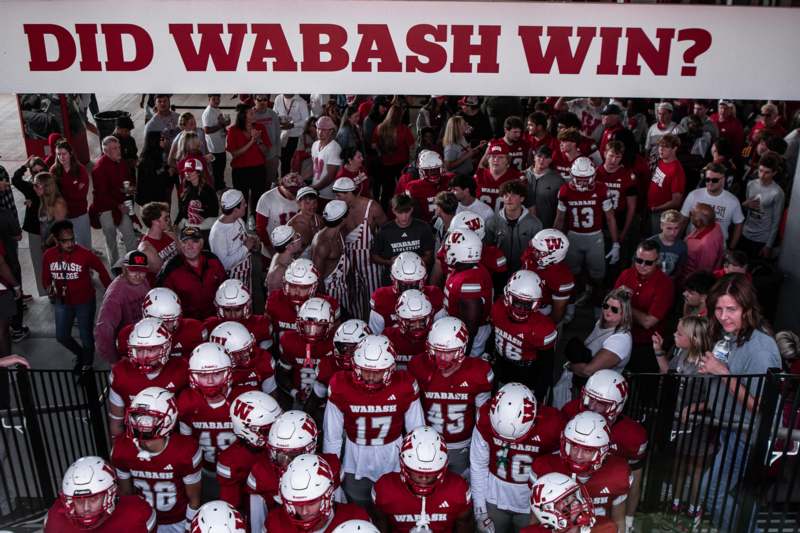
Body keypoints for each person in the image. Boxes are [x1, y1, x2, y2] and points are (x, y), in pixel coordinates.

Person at [696, 274, 781, 531]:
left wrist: (722, 373)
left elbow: (763, 407)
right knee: (736, 496)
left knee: (712, 491)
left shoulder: (761, 349)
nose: (723, 316)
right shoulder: (730, 335)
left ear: (747, 309)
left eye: (731, 309)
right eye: (718, 309)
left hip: (746, 434)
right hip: (731, 428)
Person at [323, 334, 425, 508]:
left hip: (393, 457)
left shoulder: (404, 385)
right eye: (365, 370)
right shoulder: (341, 385)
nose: (370, 376)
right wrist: (331, 474)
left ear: (390, 369)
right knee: (358, 508)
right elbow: (332, 436)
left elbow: (418, 433)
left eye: (377, 372)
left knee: (393, 509)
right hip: (355, 460)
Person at [560, 371, 648, 533]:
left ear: (618, 406)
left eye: (601, 403)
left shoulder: (632, 435)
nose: (592, 406)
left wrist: (629, 519)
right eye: (589, 399)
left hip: (605, 500)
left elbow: (634, 481)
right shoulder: (571, 411)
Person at [470, 383, 564, 533]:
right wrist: (480, 511)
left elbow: (559, 470)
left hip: (534, 503)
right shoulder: (485, 418)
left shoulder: (552, 424)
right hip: (494, 497)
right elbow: (478, 464)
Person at [408, 317, 493, 475]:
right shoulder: (418, 366)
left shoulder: (478, 372)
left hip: (463, 444)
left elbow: (482, 418)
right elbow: (412, 412)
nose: (442, 358)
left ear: (462, 349)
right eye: (437, 351)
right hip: (427, 443)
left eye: (449, 352)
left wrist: (477, 447)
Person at [111, 387, 202, 531]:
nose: (141, 424)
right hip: (143, 519)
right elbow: (127, 495)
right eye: (137, 416)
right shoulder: (122, 449)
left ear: (169, 419)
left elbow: (194, 500)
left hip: (177, 521)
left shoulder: (185, 451)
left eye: (149, 418)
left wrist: (189, 526)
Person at [530, 412, 631, 533]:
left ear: (603, 451)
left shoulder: (617, 473)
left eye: (587, 450)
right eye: (574, 446)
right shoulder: (546, 467)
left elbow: (619, 519)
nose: (578, 456)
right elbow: (537, 519)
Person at [42, 220, 111, 374]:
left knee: (86, 335)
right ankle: (81, 354)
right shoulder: (49, 255)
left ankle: (87, 363)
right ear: (56, 240)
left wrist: (110, 292)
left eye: (72, 239)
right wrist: (49, 288)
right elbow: (45, 278)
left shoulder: (85, 254)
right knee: (61, 336)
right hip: (62, 302)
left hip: (84, 301)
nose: (70, 243)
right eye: (65, 241)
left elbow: (102, 270)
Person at [372, 426, 472, 532]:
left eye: (431, 473)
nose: (424, 478)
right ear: (403, 464)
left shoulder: (458, 489)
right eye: (417, 472)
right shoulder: (384, 488)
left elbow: (464, 524)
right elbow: (379, 524)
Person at [106, 317, 190, 438]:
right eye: (139, 350)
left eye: (151, 349)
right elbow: (116, 422)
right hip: (136, 439)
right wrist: (118, 445)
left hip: (172, 439)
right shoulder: (121, 373)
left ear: (166, 347)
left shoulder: (181, 369)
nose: (145, 356)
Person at [554, 157, 619, 311]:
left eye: (585, 178)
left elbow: (610, 217)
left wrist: (616, 243)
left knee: (598, 276)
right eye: (578, 178)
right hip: (573, 236)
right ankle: (571, 305)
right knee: (571, 274)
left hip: (594, 237)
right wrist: (554, 241)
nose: (582, 182)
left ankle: (598, 306)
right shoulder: (565, 191)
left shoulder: (601, 189)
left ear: (593, 176)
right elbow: (560, 218)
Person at [178, 343, 249, 471]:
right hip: (202, 468)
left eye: (216, 374)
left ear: (228, 373)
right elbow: (186, 444)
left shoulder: (244, 399)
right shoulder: (187, 401)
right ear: (193, 376)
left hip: (239, 470)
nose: (210, 381)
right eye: (203, 375)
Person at [492, 270, 558, 401]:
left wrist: (539, 395)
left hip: (528, 375)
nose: (521, 309)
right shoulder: (498, 308)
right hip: (502, 368)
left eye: (527, 304)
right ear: (508, 297)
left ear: (536, 303)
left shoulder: (542, 328)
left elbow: (546, 366)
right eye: (517, 302)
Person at [44, 456, 156, 532]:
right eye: (79, 500)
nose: (86, 508)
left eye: (93, 499)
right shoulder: (56, 520)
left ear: (111, 494)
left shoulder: (136, 513)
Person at [264, 454, 370, 533]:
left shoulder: (355, 519)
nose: (304, 512)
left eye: (311, 503)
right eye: (296, 503)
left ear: (328, 494)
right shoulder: (276, 522)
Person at [614, 240, 674, 374]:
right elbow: (612, 304)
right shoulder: (626, 274)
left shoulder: (665, 284)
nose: (642, 265)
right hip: (619, 335)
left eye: (648, 262)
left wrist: (624, 303)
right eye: (639, 260)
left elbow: (648, 322)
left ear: (657, 261)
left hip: (646, 344)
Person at [216, 390, 282, 509]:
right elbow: (231, 507)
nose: (276, 433)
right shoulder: (231, 462)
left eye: (278, 425)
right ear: (246, 429)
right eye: (268, 430)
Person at [333, 177, 387, 320]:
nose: (336, 199)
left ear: (349, 193)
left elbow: (386, 231)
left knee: (374, 299)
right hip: (348, 262)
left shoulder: (372, 207)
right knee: (352, 299)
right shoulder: (337, 209)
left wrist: (380, 255)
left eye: (339, 195)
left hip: (371, 262)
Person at [442, 229, 494, 356]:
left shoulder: (469, 280)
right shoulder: (467, 268)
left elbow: (470, 327)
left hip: (467, 337)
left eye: (449, 248)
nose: (446, 251)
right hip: (457, 326)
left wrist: (463, 355)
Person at [94, 251, 150, 363]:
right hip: (127, 347)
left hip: (145, 338)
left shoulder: (144, 281)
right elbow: (103, 330)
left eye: (142, 270)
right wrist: (113, 360)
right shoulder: (116, 294)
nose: (138, 275)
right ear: (124, 269)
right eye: (133, 270)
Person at [159, 226, 227, 320]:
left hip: (215, 318)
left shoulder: (213, 260)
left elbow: (225, 287)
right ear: (180, 245)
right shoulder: (170, 269)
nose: (189, 246)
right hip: (186, 323)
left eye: (195, 241)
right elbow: (163, 301)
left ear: (202, 243)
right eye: (185, 242)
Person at [567, 288, 633, 385]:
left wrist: (569, 366)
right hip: (580, 379)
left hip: (597, 387)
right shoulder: (601, 323)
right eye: (606, 306)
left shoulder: (620, 340)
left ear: (624, 313)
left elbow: (587, 371)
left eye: (614, 309)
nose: (608, 311)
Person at [369, 252, 444, 335]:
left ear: (425, 278)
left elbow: (441, 331)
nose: (409, 289)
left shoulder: (434, 294)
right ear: (392, 279)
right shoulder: (382, 298)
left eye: (414, 285)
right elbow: (376, 336)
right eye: (403, 285)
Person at [92, 136, 138, 267]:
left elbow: (128, 179)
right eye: (114, 148)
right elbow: (102, 195)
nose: (119, 150)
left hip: (121, 205)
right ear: (106, 151)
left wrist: (130, 188)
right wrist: (118, 205)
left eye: (118, 147)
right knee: (111, 239)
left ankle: (135, 265)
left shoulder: (121, 162)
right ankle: (115, 268)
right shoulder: (98, 169)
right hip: (106, 208)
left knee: (129, 235)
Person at [371, 195, 435, 281]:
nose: (404, 217)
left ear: (411, 209)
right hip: (392, 279)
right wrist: (389, 262)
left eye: (407, 212)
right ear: (393, 211)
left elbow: (429, 257)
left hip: (418, 278)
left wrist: (413, 263)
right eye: (400, 213)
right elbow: (374, 256)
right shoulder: (384, 230)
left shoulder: (423, 227)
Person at [226, 103, 271, 223]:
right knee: (241, 199)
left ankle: (256, 222)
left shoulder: (260, 128)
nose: (254, 114)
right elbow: (235, 153)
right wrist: (252, 141)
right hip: (240, 171)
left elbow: (266, 151)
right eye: (251, 113)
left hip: (258, 169)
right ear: (243, 116)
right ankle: (241, 223)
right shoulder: (233, 130)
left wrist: (258, 140)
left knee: (258, 198)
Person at [680, 163, 743, 247]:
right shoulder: (694, 195)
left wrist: (731, 248)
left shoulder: (733, 201)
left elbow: (739, 225)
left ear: (723, 180)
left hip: (717, 247)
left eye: (715, 180)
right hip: (691, 245)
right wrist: (677, 241)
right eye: (707, 179)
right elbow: (683, 220)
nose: (710, 183)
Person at [487, 180, 543, 274]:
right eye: (506, 195)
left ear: (522, 198)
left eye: (513, 195)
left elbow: (537, 252)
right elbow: (488, 249)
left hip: (524, 272)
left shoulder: (535, 224)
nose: (509, 199)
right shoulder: (492, 222)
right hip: (498, 272)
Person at [521, 229, 576, 325]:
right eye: (534, 247)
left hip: (542, 307)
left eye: (538, 251)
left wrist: (551, 325)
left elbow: (558, 309)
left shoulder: (561, 276)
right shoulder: (531, 253)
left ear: (552, 255)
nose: (532, 251)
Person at [11, 157, 49, 296]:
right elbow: (15, 180)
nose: (38, 175)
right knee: (38, 261)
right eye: (35, 172)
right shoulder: (29, 187)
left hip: (51, 229)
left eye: (41, 171)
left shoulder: (52, 184)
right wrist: (24, 166)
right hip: (34, 230)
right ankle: (44, 291)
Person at [209, 189, 259, 292]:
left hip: (245, 272)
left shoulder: (238, 220)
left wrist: (252, 241)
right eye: (244, 203)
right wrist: (246, 248)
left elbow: (241, 239)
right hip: (232, 280)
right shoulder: (218, 233)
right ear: (235, 210)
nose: (246, 205)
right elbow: (223, 264)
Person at [740, 151, 785, 260]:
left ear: (774, 173)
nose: (762, 175)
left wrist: (768, 245)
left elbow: (776, 221)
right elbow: (746, 207)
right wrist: (744, 204)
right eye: (760, 170)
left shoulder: (777, 192)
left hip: (762, 238)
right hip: (746, 232)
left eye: (767, 172)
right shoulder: (751, 184)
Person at [596, 141, 638, 252]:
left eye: (618, 157)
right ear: (605, 154)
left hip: (619, 220)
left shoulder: (628, 176)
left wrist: (624, 232)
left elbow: (632, 207)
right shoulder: (595, 173)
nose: (614, 160)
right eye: (611, 156)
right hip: (599, 221)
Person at [311, 200, 352, 313]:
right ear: (343, 219)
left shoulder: (340, 233)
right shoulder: (322, 244)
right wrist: (325, 301)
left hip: (342, 289)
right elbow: (317, 277)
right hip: (328, 293)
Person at [50, 139, 91, 249]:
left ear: (71, 153)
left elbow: (81, 195)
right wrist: (73, 189)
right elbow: (52, 194)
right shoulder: (54, 170)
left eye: (64, 154)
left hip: (80, 214)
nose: (61, 157)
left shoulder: (80, 170)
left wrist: (63, 193)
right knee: (66, 247)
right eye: (58, 154)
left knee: (85, 246)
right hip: (62, 216)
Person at [373, 104, 415, 208]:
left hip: (385, 163)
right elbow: (412, 146)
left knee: (387, 190)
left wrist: (381, 152)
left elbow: (373, 145)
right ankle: (403, 209)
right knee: (403, 188)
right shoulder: (404, 129)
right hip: (402, 163)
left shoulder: (379, 127)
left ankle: (384, 210)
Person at [647, 135, 686, 235]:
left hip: (663, 215)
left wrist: (657, 208)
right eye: (660, 146)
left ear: (674, 149)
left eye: (666, 147)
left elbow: (676, 201)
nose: (661, 149)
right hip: (651, 210)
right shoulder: (661, 160)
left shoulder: (676, 170)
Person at [255, 172, 301, 255]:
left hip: (294, 248)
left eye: (298, 191)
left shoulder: (301, 197)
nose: (296, 196)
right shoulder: (267, 198)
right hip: (272, 248)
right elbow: (260, 228)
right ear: (283, 187)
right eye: (293, 192)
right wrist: (270, 249)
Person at [405, 151, 453, 223]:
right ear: (422, 171)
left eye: (436, 169)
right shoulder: (413, 187)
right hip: (426, 223)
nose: (433, 173)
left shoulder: (450, 179)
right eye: (429, 170)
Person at [176, 157, 219, 236]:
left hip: (205, 226)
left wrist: (198, 216)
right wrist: (175, 223)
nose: (187, 173)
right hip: (190, 225)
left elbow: (214, 211)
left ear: (198, 172)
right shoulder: (187, 189)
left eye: (190, 171)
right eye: (186, 171)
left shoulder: (208, 190)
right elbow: (182, 210)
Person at [474, 141, 522, 212]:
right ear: (488, 159)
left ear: (507, 161)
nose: (496, 160)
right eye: (493, 156)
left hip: (506, 218)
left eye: (501, 157)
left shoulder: (516, 177)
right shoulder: (479, 175)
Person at [137, 201, 178, 283]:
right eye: (165, 218)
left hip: (177, 277)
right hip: (164, 285)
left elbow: (185, 255)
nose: (169, 220)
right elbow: (164, 275)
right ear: (155, 221)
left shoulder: (171, 235)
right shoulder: (146, 250)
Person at [523, 145, 563, 229]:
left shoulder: (558, 180)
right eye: (539, 156)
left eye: (546, 157)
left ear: (551, 160)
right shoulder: (522, 175)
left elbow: (561, 208)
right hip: (523, 226)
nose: (542, 160)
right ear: (534, 157)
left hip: (546, 226)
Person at [683, 203, 725, 280]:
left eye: (692, 214)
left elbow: (704, 271)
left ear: (699, 222)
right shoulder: (716, 226)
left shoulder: (704, 244)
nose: (690, 215)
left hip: (691, 279)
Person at [273, 94, 311, 174]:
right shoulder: (278, 98)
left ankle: (286, 179)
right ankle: (280, 179)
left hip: (294, 136)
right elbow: (274, 114)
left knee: (287, 161)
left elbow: (307, 121)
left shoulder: (301, 101)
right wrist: (278, 120)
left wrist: (293, 125)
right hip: (280, 134)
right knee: (278, 159)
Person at [201, 94, 231, 191]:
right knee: (216, 171)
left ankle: (221, 186)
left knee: (221, 169)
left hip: (220, 146)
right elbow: (206, 130)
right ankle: (217, 190)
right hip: (213, 148)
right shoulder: (208, 113)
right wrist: (221, 126)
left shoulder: (217, 109)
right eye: (214, 99)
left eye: (218, 99)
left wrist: (224, 128)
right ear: (209, 99)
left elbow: (219, 124)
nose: (217, 101)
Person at [311, 115, 343, 204]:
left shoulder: (334, 148)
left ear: (331, 131)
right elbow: (315, 168)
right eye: (318, 129)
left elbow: (330, 177)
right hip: (316, 191)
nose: (320, 132)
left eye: (324, 130)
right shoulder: (315, 145)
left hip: (328, 195)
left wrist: (314, 188)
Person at [647, 210, 687, 279]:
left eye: (676, 228)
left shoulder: (682, 246)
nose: (672, 232)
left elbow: (680, 269)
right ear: (661, 226)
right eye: (669, 228)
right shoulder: (649, 243)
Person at [252, 94, 282, 185]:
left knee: (269, 181)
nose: (262, 102)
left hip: (272, 154)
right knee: (257, 182)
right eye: (259, 100)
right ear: (254, 100)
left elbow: (278, 134)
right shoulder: (250, 114)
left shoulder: (272, 114)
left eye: (265, 100)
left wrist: (278, 154)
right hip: (255, 155)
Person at [135, 132, 171, 206]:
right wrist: (165, 169)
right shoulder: (147, 158)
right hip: (150, 198)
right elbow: (154, 173)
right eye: (161, 139)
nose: (164, 141)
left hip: (157, 195)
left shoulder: (159, 152)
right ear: (154, 141)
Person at [266, 225, 304, 293]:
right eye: (297, 237)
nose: (300, 239)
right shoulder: (278, 272)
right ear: (290, 246)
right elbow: (273, 297)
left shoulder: (280, 255)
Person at [287, 186, 320, 256]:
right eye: (307, 203)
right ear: (299, 204)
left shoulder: (319, 220)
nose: (312, 206)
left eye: (314, 202)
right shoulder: (292, 226)